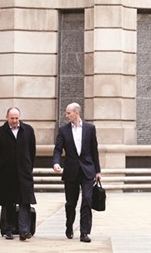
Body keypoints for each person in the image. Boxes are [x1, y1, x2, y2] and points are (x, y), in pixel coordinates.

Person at [52, 102, 102, 243]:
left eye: (68, 113)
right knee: (70, 203)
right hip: (71, 171)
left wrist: (97, 170)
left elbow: (94, 150)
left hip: (87, 171)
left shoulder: (90, 129)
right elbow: (57, 149)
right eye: (66, 113)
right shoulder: (63, 130)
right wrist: (56, 163)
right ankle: (69, 225)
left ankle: (84, 232)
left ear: (76, 113)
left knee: (87, 200)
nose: (66, 115)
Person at [0, 107, 36, 241]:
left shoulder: (28, 130)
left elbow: (32, 151)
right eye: (12, 118)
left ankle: (24, 231)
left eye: (17, 118)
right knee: (8, 202)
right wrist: (2, 166)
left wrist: (28, 167)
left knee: (25, 202)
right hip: (7, 174)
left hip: (24, 173)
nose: (15, 121)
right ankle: (8, 229)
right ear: (7, 117)